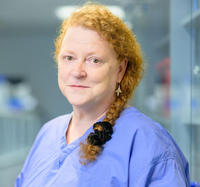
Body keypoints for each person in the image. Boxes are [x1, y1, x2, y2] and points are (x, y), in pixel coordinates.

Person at [15, 3, 190, 187]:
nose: (77, 71)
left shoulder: (147, 141)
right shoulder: (48, 132)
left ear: (120, 70)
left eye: (94, 60)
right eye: (69, 58)